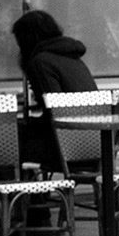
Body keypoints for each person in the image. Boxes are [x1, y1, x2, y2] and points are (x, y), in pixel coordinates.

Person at [12, 10, 98, 172]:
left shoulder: (40, 62)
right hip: (95, 145)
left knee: (4, 141)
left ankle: (16, 194)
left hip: (66, 147)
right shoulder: (73, 58)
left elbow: (56, 111)